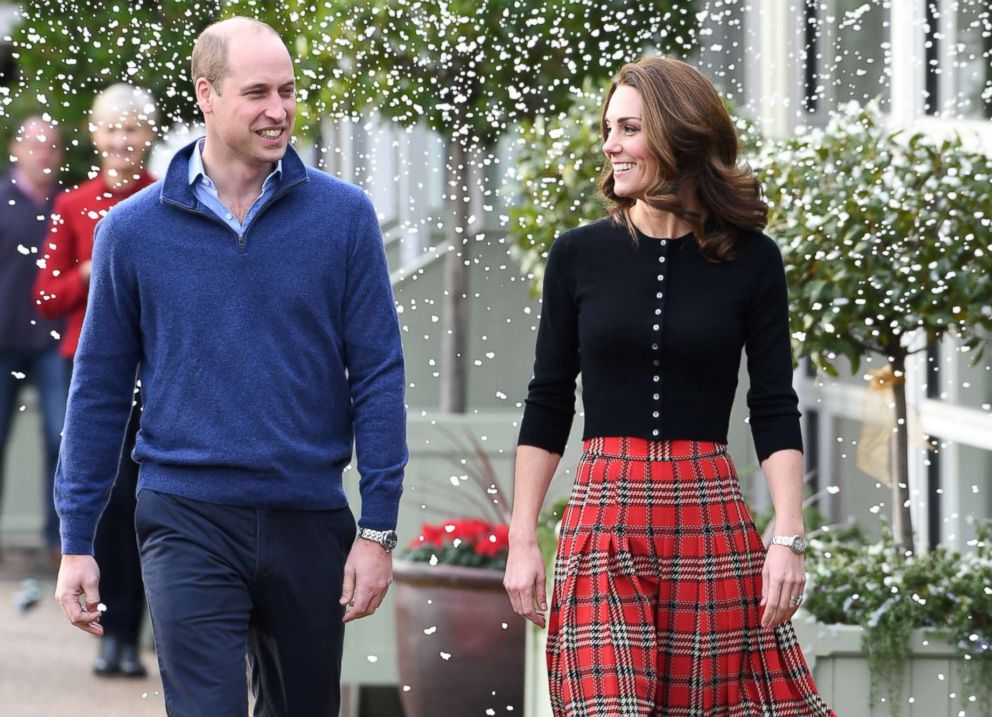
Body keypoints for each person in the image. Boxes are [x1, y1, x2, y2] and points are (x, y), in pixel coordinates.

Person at [52, 16, 406, 716]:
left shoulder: (345, 219)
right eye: (257, 93)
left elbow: (378, 375)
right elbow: (96, 390)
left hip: (309, 515)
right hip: (186, 514)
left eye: (288, 90)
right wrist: (76, 539)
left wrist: (378, 528)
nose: (279, 110)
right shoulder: (134, 230)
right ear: (206, 95)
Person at [504, 57, 836, 716]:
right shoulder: (576, 254)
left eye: (629, 128)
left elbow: (772, 403)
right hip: (604, 521)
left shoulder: (752, 260)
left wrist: (789, 537)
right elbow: (548, 401)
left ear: (677, 135)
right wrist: (520, 540)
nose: (610, 144)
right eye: (609, 128)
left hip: (708, 519)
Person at [34, 83, 157, 678]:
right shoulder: (72, 206)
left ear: (148, 136)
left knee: (137, 503)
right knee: (99, 503)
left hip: (149, 373)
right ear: (95, 135)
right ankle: (106, 634)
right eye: (113, 130)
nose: (122, 142)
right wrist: (92, 269)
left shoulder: (165, 200)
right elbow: (47, 295)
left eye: (132, 130)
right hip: (87, 366)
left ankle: (131, 635)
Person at [0, 117, 65, 564]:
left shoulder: (65, 203)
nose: (44, 153)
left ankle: (58, 541)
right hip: (2, 341)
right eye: (36, 145)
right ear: (17, 149)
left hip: (51, 342)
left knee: (61, 438)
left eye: (52, 146)